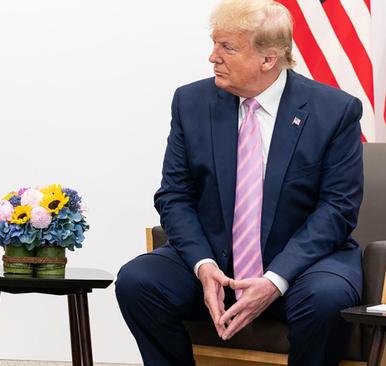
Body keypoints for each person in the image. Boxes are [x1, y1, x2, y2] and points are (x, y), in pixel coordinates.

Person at [115, 0, 363, 365]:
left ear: (269, 59)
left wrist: (275, 278)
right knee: (138, 282)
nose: (213, 57)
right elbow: (175, 196)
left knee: (326, 299)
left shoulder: (335, 110)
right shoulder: (191, 102)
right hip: (217, 261)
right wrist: (203, 265)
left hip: (302, 266)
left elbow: (337, 208)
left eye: (227, 47)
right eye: (215, 43)